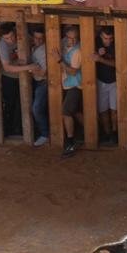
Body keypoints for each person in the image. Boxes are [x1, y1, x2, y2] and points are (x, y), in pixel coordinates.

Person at [58, 25, 83, 156]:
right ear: (65, 36)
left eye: (75, 38)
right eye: (69, 38)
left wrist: (59, 61)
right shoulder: (62, 42)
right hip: (66, 84)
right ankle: (87, 133)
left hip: (75, 84)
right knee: (76, 112)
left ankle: (70, 142)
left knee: (66, 112)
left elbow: (73, 72)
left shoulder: (78, 50)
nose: (72, 41)